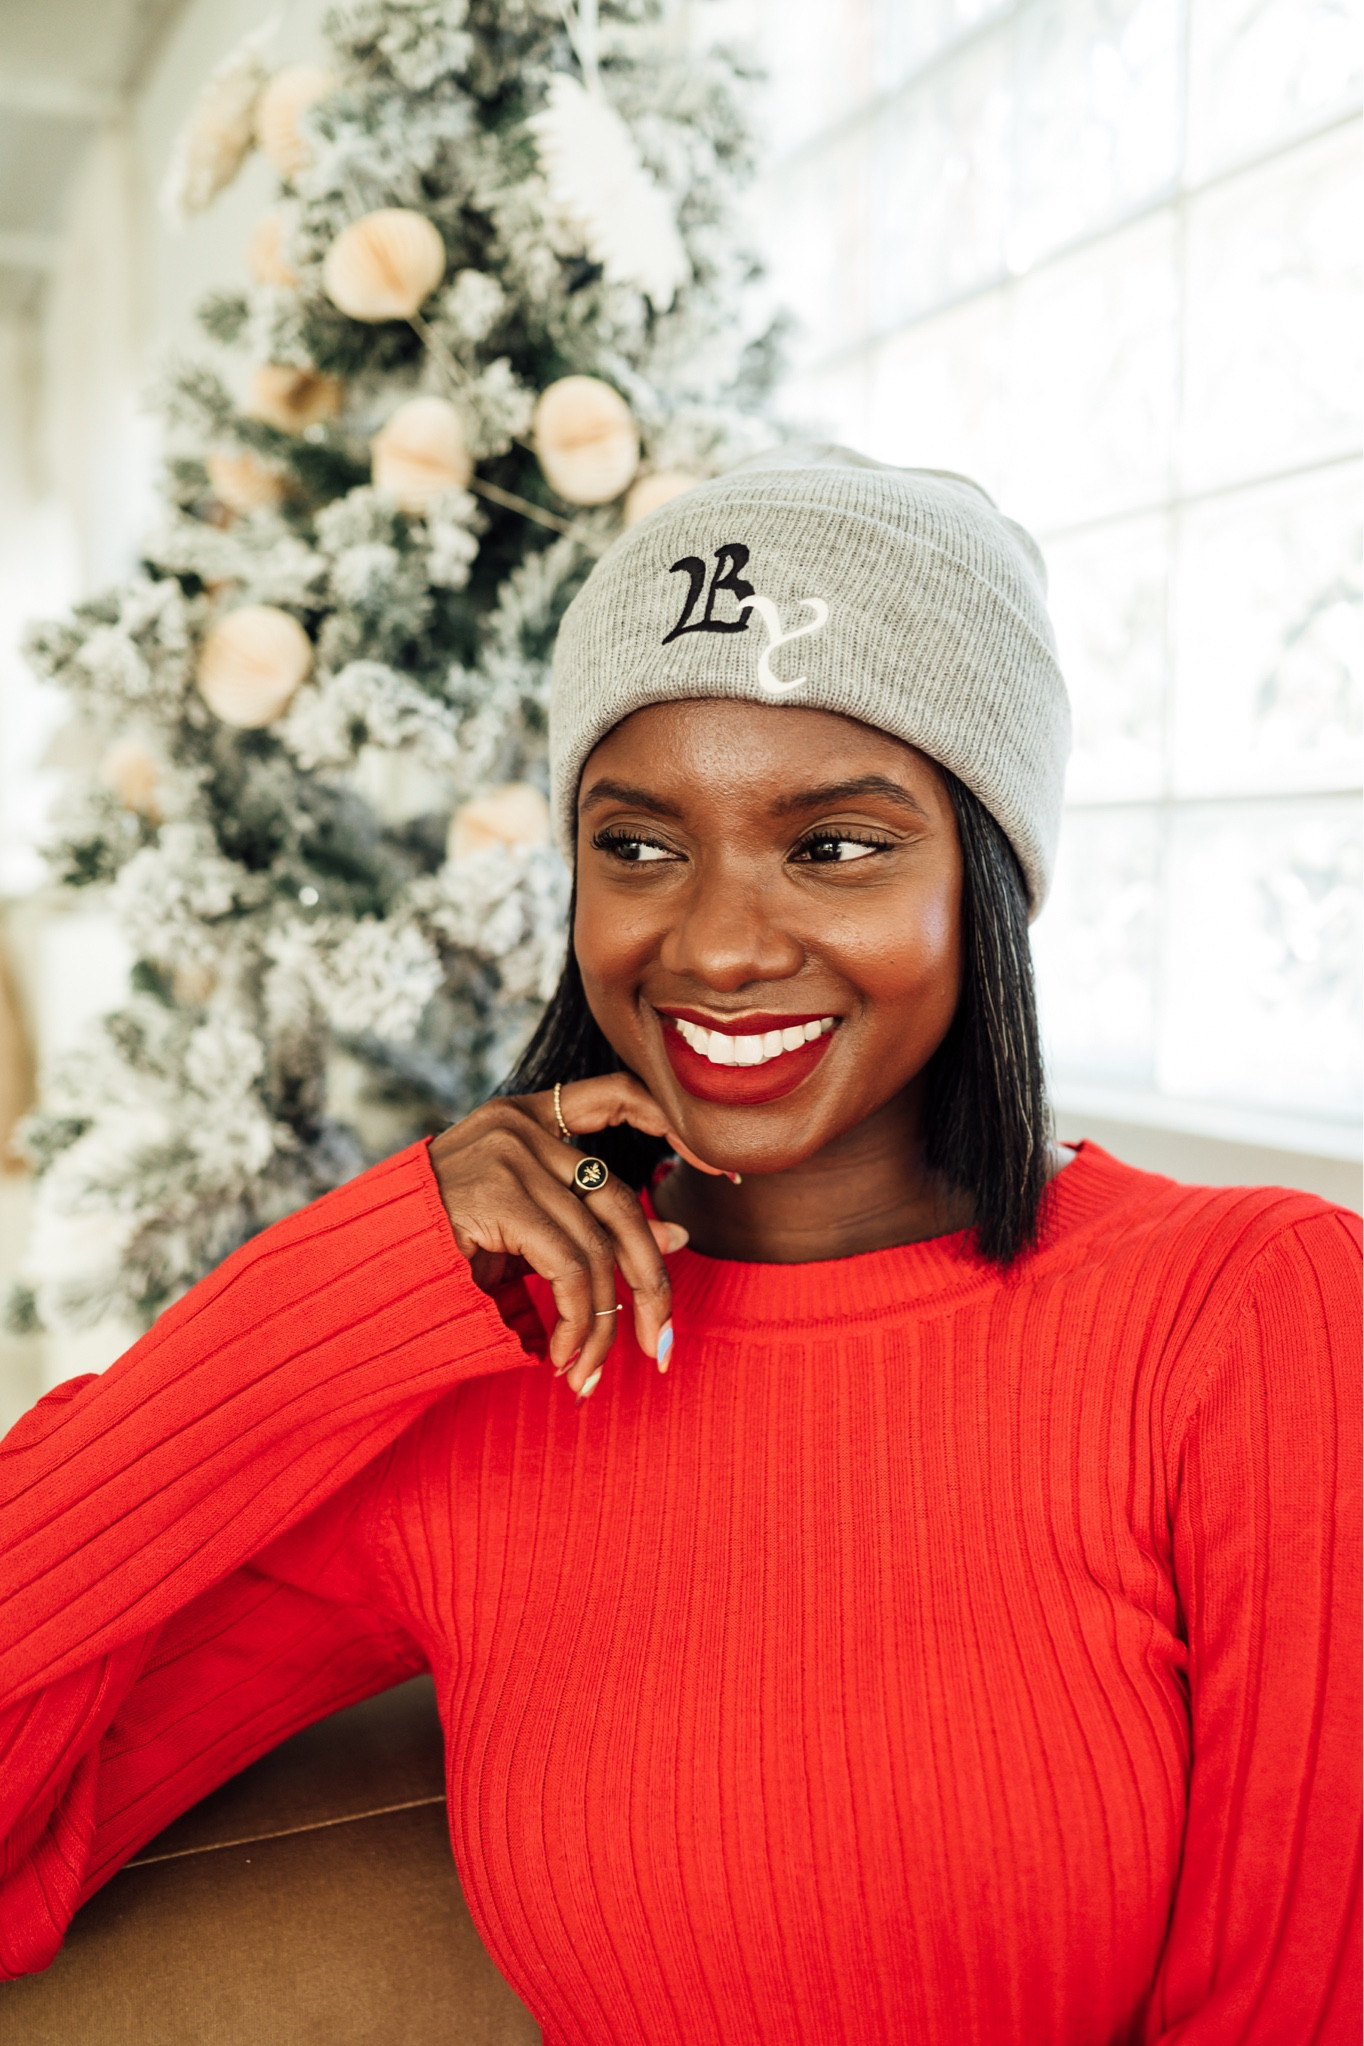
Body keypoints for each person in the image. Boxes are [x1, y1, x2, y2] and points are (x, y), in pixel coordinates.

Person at [1, 450, 1358, 2043]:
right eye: (639, 845)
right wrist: (357, 1272)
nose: (714, 943)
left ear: (991, 878)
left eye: (837, 845)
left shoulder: (1255, 1310)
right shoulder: (492, 1384)